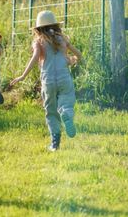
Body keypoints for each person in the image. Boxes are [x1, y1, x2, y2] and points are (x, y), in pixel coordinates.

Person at [10, 10, 82, 151]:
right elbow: (77, 54)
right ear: (56, 25)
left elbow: (35, 57)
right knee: (67, 101)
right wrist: (74, 60)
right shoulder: (62, 39)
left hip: (48, 80)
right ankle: (66, 113)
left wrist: (23, 76)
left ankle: (55, 143)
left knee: (50, 110)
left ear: (38, 28)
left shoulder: (39, 41)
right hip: (64, 78)